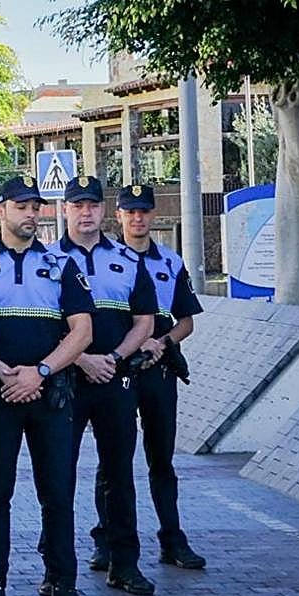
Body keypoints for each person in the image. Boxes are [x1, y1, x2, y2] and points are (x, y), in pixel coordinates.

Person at [0, 176, 97, 596]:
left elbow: (83, 331)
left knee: (58, 494)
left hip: (49, 395)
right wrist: (5, 373)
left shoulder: (61, 264)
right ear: (0, 211)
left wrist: (39, 373)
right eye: (21, 206)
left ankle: (64, 586)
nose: (30, 214)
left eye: (35, 206)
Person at [57, 175, 157, 595]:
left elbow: (145, 322)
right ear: (65, 209)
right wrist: (80, 358)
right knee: (57, 478)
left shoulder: (127, 261)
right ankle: (56, 571)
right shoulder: (47, 259)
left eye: (92, 205)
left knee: (119, 475)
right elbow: (45, 324)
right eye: (78, 205)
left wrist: (113, 360)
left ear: (103, 210)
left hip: (114, 381)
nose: (86, 213)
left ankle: (124, 563)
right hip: (66, 381)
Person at [116, 183, 207, 569]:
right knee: (114, 460)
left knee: (161, 459)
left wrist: (161, 342)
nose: (138, 218)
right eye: (130, 212)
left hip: (159, 368)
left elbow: (186, 320)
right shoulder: (106, 260)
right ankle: (109, 540)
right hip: (121, 369)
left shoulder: (170, 262)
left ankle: (172, 537)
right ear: (118, 215)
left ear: (153, 215)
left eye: (144, 212)